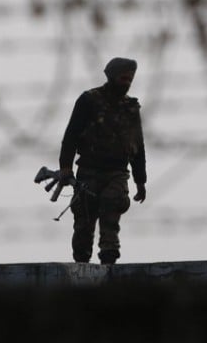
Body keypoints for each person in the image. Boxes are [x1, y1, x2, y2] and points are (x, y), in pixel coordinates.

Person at [58, 57, 146, 264]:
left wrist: (140, 181)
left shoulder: (130, 108)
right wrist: (65, 167)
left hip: (117, 172)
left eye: (130, 80)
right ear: (112, 76)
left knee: (111, 211)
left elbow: (138, 146)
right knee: (84, 222)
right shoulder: (89, 101)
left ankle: (109, 261)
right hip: (89, 171)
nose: (126, 83)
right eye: (123, 78)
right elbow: (71, 135)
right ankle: (82, 265)